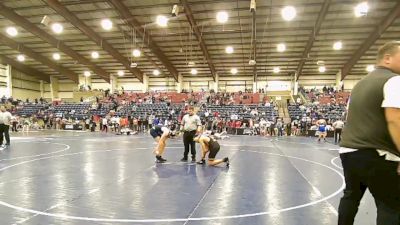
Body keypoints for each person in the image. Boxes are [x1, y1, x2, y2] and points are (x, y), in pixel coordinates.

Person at [338, 41, 400, 225]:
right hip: (376, 153)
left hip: (348, 151)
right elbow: (394, 118)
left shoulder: (358, 85)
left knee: (350, 197)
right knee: (391, 204)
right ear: (387, 58)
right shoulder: (394, 80)